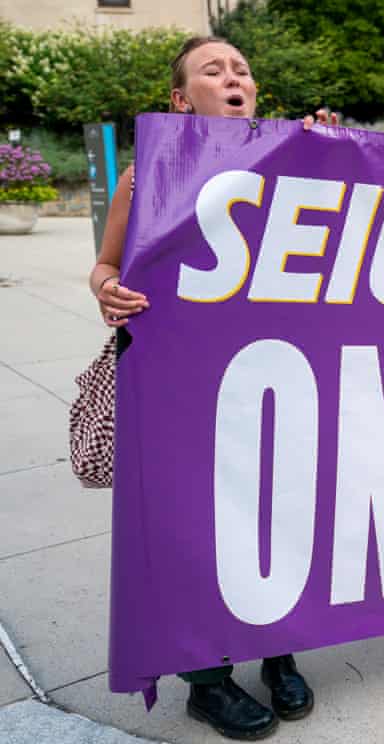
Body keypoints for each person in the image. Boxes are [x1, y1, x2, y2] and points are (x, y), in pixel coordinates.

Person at [88, 36, 329, 741]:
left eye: (243, 70)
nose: (233, 78)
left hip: (276, 382)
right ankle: (207, 680)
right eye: (213, 70)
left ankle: (280, 653)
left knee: (278, 517)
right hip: (184, 393)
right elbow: (105, 266)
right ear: (179, 99)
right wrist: (109, 293)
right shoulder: (146, 177)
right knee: (194, 528)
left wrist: (334, 151)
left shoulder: (298, 163)